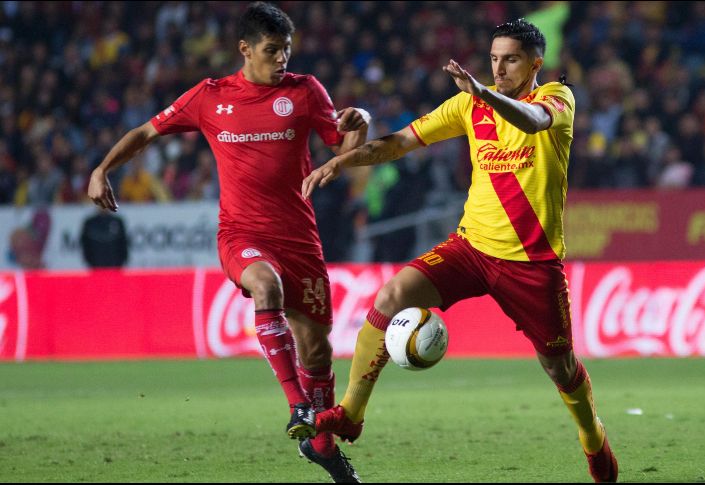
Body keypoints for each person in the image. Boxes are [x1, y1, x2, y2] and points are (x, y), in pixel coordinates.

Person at [302, 19, 618, 483]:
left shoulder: (557, 97)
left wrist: (483, 92)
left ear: (536, 62)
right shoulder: (468, 104)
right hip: (470, 247)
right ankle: (350, 412)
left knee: (559, 364)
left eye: (510, 59)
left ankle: (592, 436)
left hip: (531, 263)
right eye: (493, 59)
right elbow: (402, 141)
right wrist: (342, 160)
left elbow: (530, 121)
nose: (499, 68)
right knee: (390, 297)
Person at [87, 3, 369, 482]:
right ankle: (297, 406)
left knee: (318, 352)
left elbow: (343, 151)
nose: (282, 58)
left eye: (286, 49)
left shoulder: (305, 91)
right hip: (241, 234)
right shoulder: (210, 97)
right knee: (265, 287)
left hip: (300, 238)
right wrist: (101, 169)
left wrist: (360, 119)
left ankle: (321, 446)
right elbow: (146, 131)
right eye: (271, 50)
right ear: (245, 49)